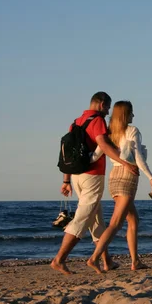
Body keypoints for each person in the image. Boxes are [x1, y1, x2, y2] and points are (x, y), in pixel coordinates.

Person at [51, 92, 139, 275]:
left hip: (76, 176)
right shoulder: (97, 120)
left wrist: (66, 180)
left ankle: (107, 261)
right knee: (83, 217)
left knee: (96, 220)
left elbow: (68, 153)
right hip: (92, 176)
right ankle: (59, 259)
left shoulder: (76, 122)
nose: (108, 112)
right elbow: (103, 145)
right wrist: (124, 163)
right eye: (107, 107)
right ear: (101, 104)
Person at [86, 100, 152, 273]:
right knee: (116, 223)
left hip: (114, 177)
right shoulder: (133, 131)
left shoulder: (109, 133)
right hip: (128, 176)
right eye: (132, 112)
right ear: (126, 115)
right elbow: (138, 158)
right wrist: (151, 179)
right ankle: (94, 258)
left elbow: (95, 156)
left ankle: (135, 261)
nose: (134, 116)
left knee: (133, 219)